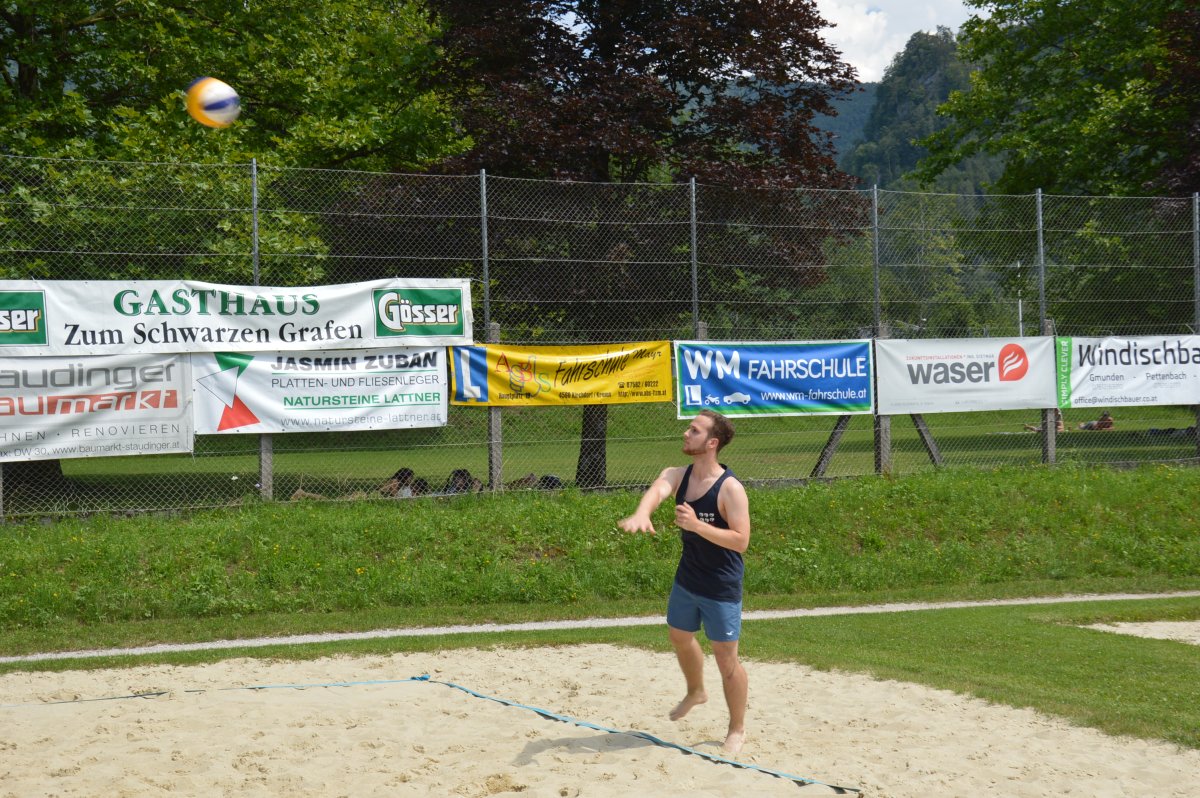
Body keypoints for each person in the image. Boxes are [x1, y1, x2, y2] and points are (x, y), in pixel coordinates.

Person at [618, 409, 751, 754]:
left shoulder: (730, 488)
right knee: (679, 636)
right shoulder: (678, 474)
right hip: (688, 578)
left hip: (721, 585)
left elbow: (741, 541)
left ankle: (736, 729)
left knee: (726, 660)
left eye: (694, 430)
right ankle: (696, 691)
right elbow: (658, 490)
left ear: (712, 443)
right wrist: (642, 513)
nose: (686, 434)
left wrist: (697, 526)